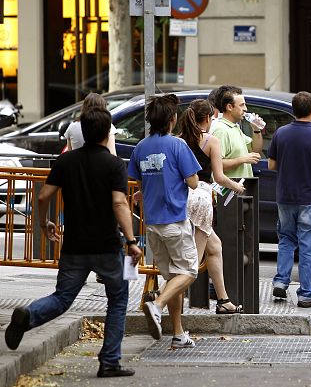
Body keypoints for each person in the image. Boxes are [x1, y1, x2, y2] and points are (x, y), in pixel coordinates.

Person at [4, 108, 141, 378]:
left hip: (74, 245)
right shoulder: (114, 165)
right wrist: (131, 239)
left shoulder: (66, 162)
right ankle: (109, 361)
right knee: (117, 299)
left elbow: (43, 197)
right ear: (106, 133)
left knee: (62, 298)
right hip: (106, 246)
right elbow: (118, 203)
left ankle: (28, 316)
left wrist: (44, 223)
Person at [129, 94, 201, 347]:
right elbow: (193, 181)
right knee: (189, 272)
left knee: (173, 279)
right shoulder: (178, 146)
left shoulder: (140, 147)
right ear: (172, 120)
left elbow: (141, 183)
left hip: (152, 224)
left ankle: (178, 334)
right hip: (175, 221)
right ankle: (157, 305)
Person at [268, 92, 311, 307]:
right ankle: (306, 293)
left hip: (285, 196)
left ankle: (281, 281)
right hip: (309, 197)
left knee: (286, 239)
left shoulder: (281, 133)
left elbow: (271, 165)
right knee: (308, 245)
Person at [177, 99, 246, 314]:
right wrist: (237, 186)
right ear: (208, 118)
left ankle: (223, 300)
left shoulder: (178, 141)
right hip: (202, 201)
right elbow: (220, 176)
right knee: (193, 264)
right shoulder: (210, 141)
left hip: (181, 199)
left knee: (215, 247)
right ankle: (161, 297)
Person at [211, 86, 264, 179]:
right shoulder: (221, 129)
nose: (245, 109)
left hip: (241, 188)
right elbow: (216, 164)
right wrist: (242, 159)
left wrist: (256, 129)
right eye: (241, 105)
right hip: (228, 191)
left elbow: (256, 150)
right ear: (229, 107)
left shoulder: (235, 127)